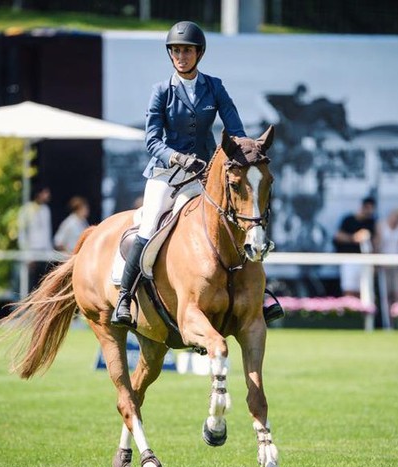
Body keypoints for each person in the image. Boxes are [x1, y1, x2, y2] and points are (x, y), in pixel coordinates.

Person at [112, 20, 282, 327]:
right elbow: (151, 139)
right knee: (149, 224)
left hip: (205, 174)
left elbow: (235, 128)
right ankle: (125, 297)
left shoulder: (214, 87)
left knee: (235, 223)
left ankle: (260, 293)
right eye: (176, 50)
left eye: (187, 51)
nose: (181, 56)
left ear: (199, 53)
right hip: (167, 174)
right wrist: (178, 157)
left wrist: (246, 150)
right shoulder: (161, 91)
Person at [333, 196, 376, 297]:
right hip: (349, 259)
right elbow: (338, 236)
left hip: (364, 261)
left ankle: (361, 312)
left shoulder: (371, 223)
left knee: (364, 290)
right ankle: (350, 312)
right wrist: (354, 238)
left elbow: (374, 243)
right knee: (349, 290)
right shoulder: (349, 220)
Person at [18, 184, 53, 292]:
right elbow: (22, 233)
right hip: (32, 252)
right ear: (39, 194)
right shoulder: (27, 209)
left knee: (43, 282)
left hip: (44, 253)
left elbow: (47, 233)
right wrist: (27, 255)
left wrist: (49, 253)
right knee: (29, 283)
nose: (47, 195)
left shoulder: (46, 210)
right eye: (45, 192)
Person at [375, 207, 398, 306]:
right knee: (386, 294)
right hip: (384, 264)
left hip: (396, 264)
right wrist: (376, 261)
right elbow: (377, 244)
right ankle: (388, 320)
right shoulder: (381, 225)